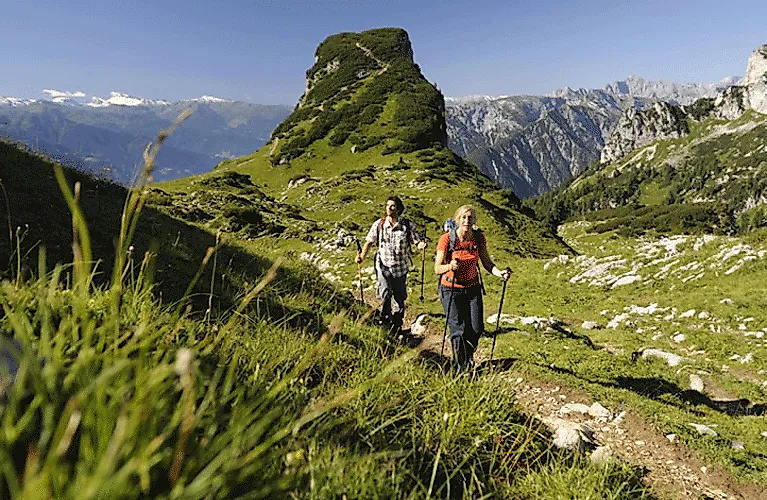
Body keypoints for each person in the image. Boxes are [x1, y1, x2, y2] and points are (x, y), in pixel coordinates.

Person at [434, 205, 510, 371]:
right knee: (458, 329)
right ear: (457, 220)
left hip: (472, 288)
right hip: (450, 288)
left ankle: (466, 357)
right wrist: (449, 266)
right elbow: (437, 268)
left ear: (475, 220)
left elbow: (487, 263)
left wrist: (501, 273)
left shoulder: (478, 238)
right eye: (463, 217)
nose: (467, 221)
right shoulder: (447, 239)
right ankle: (461, 367)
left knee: (476, 327)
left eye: (470, 218)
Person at [356, 196, 427, 336]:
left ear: (398, 209)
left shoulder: (407, 225)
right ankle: (385, 321)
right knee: (385, 293)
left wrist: (421, 245)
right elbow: (369, 241)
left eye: (393, 205)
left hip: (400, 268)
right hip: (383, 265)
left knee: (400, 297)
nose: (389, 208)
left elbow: (416, 241)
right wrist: (362, 256)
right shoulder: (379, 224)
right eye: (387, 205)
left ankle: (397, 324)